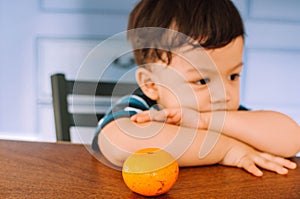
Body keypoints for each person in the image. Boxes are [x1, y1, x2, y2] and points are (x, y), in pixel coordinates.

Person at [92, 0, 300, 177]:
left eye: (233, 76)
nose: (224, 94)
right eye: (202, 81)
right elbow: (120, 144)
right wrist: (226, 149)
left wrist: (206, 121)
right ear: (151, 84)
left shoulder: (221, 116)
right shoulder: (141, 109)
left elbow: (292, 140)